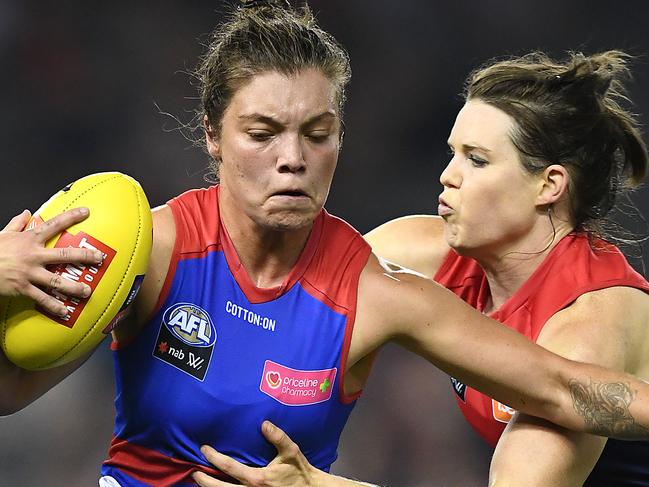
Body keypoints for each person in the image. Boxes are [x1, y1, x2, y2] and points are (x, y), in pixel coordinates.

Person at [2, 2, 649, 486]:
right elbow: (9, 393)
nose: (291, 159)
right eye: (261, 132)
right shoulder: (147, 247)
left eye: (317, 132)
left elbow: (567, 390)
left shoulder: (392, 290)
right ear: (212, 135)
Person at [195, 50, 649, 486]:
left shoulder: (584, 325)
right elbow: (291, 299)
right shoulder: (428, 250)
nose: (448, 175)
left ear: (549, 185)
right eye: (453, 153)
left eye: (477, 159)